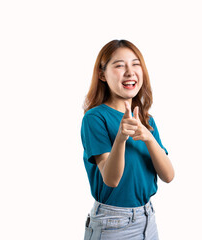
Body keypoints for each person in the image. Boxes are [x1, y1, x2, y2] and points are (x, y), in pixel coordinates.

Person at [81, 39, 174, 240]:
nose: (130, 72)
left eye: (135, 64)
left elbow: (168, 175)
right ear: (102, 74)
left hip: (147, 219)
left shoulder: (146, 120)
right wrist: (121, 138)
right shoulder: (95, 118)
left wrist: (149, 138)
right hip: (112, 224)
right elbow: (111, 179)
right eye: (120, 65)